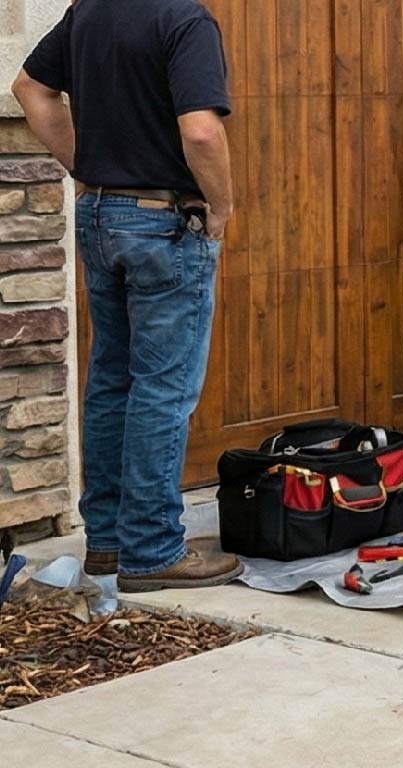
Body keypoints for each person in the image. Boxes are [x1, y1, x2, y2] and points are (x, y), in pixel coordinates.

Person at [13, 0, 239, 590]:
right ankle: (152, 549)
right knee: (163, 387)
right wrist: (221, 206)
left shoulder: (89, 10)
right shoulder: (185, 19)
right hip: (163, 220)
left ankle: (109, 543)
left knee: (113, 379)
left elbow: (30, 89)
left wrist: (87, 167)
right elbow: (201, 130)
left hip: (100, 213)